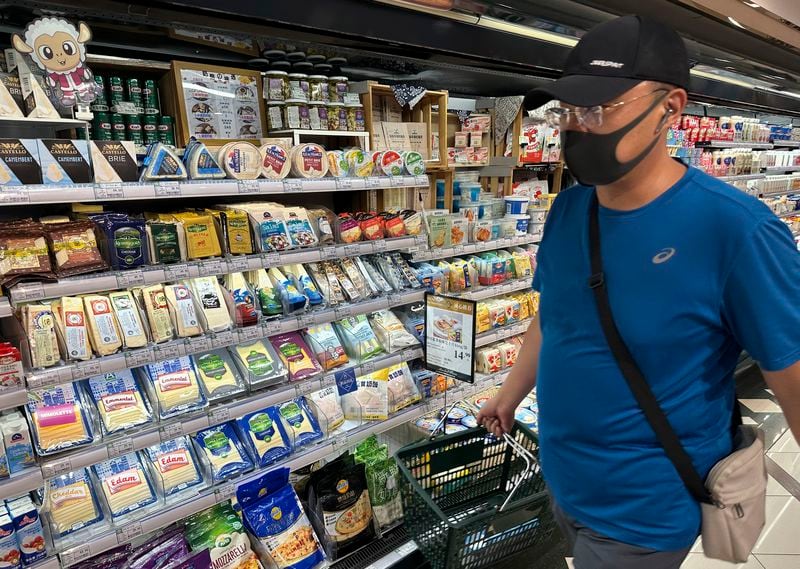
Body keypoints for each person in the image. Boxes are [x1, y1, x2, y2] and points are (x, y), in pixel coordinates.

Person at [476, 14, 800, 569]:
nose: (577, 128)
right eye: (569, 111)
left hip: (645, 510)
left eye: (598, 109)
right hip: (564, 482)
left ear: (670, 108)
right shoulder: (570, 210)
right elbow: (557, 315)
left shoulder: (736, 231)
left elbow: (793, 376)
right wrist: (508, 394)